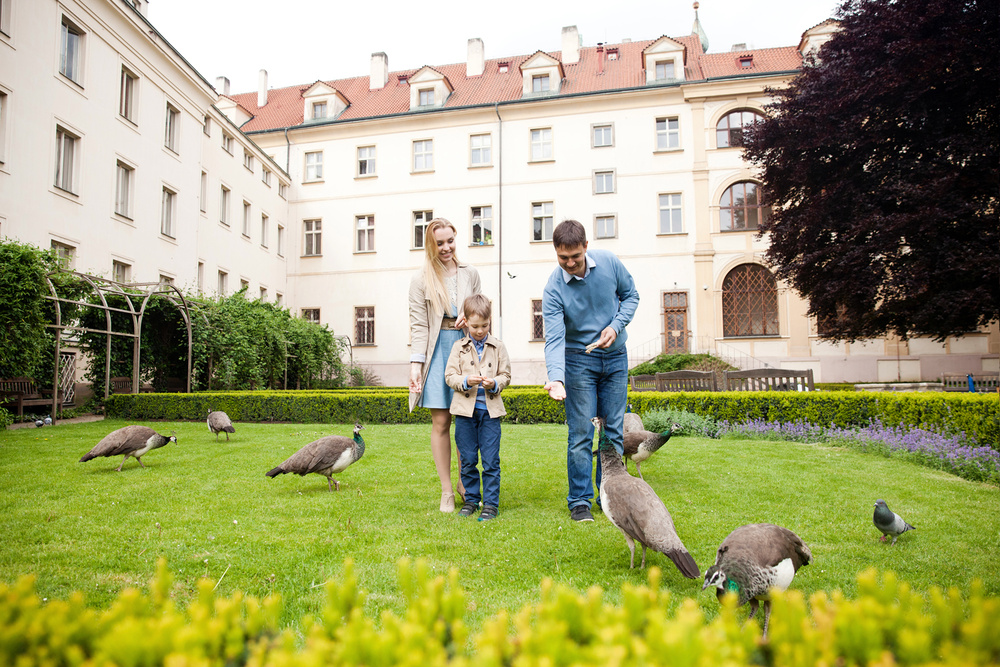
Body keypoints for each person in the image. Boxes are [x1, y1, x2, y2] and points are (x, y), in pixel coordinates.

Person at [542, 219, 639, 522]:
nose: (570, 263)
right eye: (563, 258)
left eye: (575, 256)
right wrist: (556, 378)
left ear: (586, 247)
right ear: (556, 252)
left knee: (612, 432)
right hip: (578, 360)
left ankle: (609, 495)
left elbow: (631, 296)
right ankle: (580, 502)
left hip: (615, 356)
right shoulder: (554, 288)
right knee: (582, 433)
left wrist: (615, 326)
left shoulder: (609, 262)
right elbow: (555, 338)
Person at [408, 218, 482, 513]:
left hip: (465, 350)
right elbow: (418, 325)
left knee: (466, 420)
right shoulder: (420, 279)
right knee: (441, 422)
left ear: (456, 238)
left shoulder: (471, 273)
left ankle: (467, 485)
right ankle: (447, 491)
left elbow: (481, 310)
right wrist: (416, 366)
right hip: (437, 351)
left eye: (450, 240)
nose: (446, 247)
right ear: (431, 244)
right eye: (439, 243)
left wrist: (469, 317)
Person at [444, 294, 511, 521]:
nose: (480, 331)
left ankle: (491, 504)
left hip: (490, 414)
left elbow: (506, 375)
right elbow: (449, 376)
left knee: (491, 460)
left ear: (489, 322)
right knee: (469, 458)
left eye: (484, 325)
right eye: (474, 326)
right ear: (466, 323)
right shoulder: (458, 347)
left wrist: (495, 384)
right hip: (465, 413)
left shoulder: (498, 346)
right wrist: (465, 381)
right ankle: (471, 500)